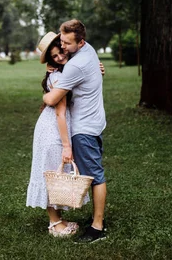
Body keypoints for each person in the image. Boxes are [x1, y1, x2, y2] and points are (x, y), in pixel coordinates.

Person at [43, 19, 107, 244]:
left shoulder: (74, 66)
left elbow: (52, 99)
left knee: (95, 176)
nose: (63, 46)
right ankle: (97, 219)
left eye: (67, 43)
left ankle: (97, 227)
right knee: (95, 173)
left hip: (83, 128)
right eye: (61, 40)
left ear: (81, 42)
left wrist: (44, 94)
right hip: (96, 122)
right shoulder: (90, 52)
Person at [26, 31, 83, 237]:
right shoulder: (58, 76)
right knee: (52, 174)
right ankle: (54, 223)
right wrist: (67, 145)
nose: (60, 57)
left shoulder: (63, 71)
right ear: (50, 60)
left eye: (61, 52)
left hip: (53, 127)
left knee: (56, 173)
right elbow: (60, 113)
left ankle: (58, 218)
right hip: (53, 130)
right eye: (54, 56)